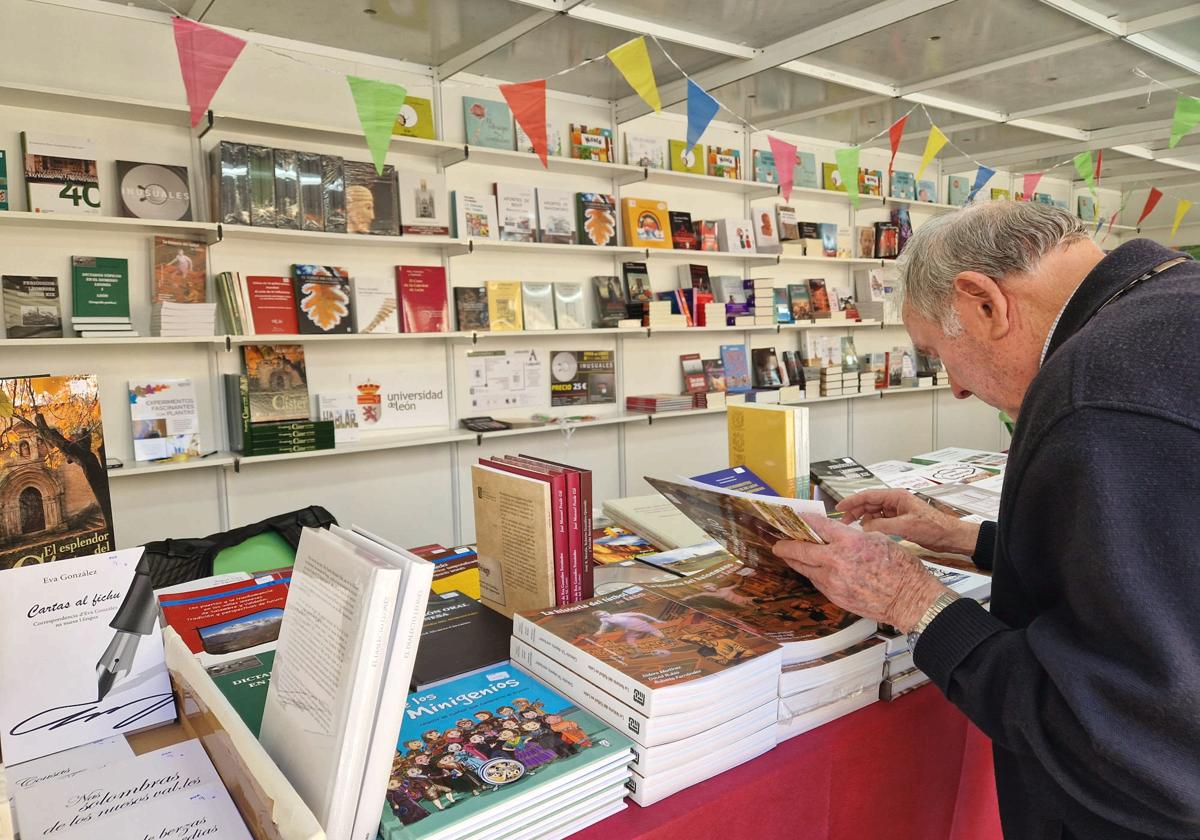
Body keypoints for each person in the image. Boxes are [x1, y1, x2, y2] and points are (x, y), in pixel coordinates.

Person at [771, 201, 1200, 840]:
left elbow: (1125, 731)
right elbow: (1168, 568)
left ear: (984, 304)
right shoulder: (1173, 303)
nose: (957, 389)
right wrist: (974, 540)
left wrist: (914, 602)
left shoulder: (1096, 390)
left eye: (939, 351)